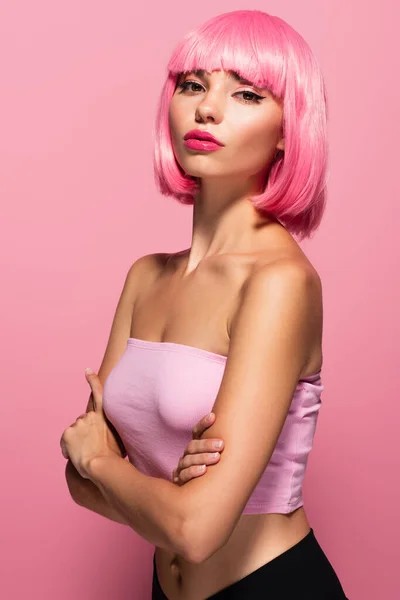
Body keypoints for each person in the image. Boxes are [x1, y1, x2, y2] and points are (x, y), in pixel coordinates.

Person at [63, 9, 349, 599]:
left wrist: (103, 462)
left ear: (288, 131)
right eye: (193, 84)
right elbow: (77, 485)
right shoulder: (145, 277)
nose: (207, 108)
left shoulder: (280, 284)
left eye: (246, 94)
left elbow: (195, 531)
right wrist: (140, 485)